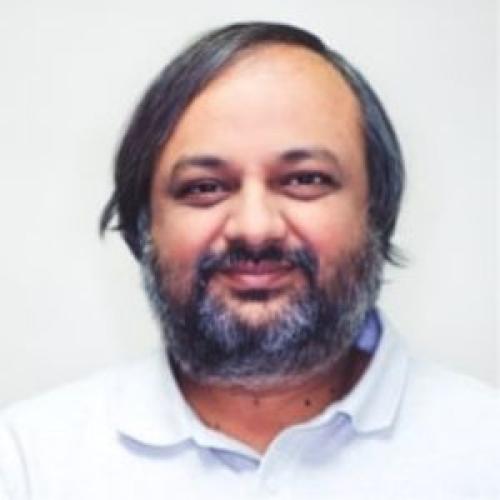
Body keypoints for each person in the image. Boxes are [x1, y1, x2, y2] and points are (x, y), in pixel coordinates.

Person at [0, 22, 497, 500]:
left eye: (304, 179)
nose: (255, 228)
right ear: (144, 225)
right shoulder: (27, 465)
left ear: (377, 210)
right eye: (205, 187)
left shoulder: (484, 450)